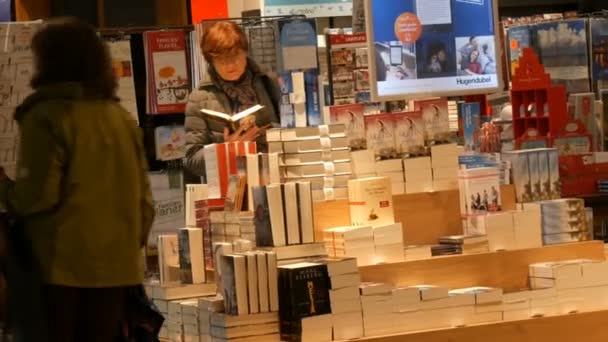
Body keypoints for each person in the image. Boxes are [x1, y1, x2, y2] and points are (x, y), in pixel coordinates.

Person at [0, 17, 154, 342]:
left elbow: (36, 197)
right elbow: (145, 204)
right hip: (117, 269)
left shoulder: (46, 116)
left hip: (59, 270)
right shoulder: (120, 118)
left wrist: (3, 186)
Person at [184, 21, 280, 181]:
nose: (230, 65)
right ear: (211, 61)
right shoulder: (199, 98)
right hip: (232, 187)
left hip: (273, 176)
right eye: (221, 60)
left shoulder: (268, 82)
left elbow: (292, 129)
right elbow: (192, 160)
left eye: (235, 56)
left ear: (245, 52)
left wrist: (263, 134)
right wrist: (227, 150)